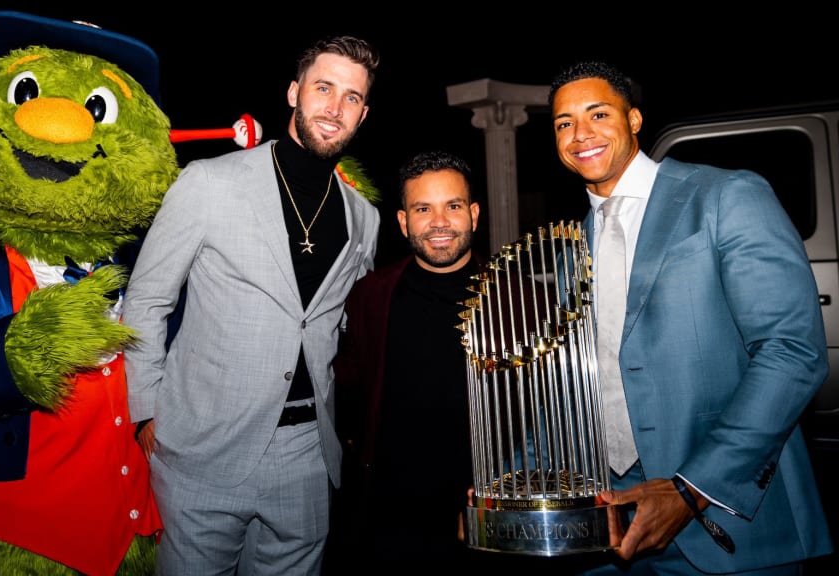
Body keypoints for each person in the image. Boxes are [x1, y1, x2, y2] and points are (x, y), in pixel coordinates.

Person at [548, 60, 833, 574]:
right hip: (610, 528)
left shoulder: (725, 196)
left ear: (634, 119)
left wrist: (691, 490)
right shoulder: (572, 248)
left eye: (597, 114)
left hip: (726, 523)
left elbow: (793, 352)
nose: (579, 134)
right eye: (564, 123)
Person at [123, 35, 381, 575]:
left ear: (363, 113)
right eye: (324, 88)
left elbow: (347, 327)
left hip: (308, 455)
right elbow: (147, 299)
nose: (335, 107)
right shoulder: (209, 182)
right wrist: (146, 412)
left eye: (351, 97)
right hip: (201, 451)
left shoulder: (364, 219)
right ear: (294, 92)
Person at [330, 149, 505, 571]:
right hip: (389, 523)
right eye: (423, 208)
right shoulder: (370, 296)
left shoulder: (516, 299)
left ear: (474, 214)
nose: (439, 222)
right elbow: (347, 388)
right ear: (404, 221)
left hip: (487, 517)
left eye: (453, 206)